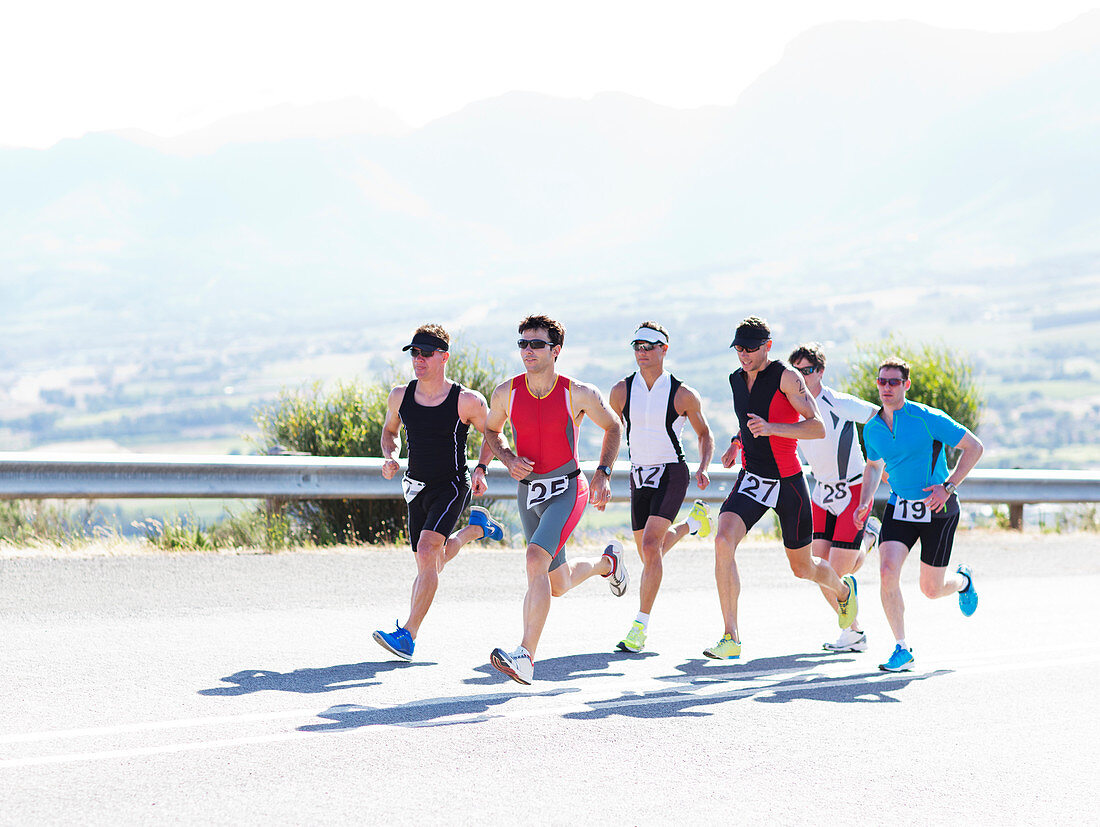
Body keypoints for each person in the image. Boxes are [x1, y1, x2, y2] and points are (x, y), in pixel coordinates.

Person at [480, 314, 627, 684]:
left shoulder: (578, 392)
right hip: (529, 491)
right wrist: (507, 458)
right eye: (522, 344)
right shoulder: (506, 392)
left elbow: (614, 426)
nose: (527, 351)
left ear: (556, 350)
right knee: (555, 582)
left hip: (566, 488)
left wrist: (602, 473)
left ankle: (525, 656)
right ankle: (607, 564)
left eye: (536, 344)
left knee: (534, 560)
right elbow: (491, 430)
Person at [706, 316, 858, 660]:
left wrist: (772, 428)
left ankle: (843, 590)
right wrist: (737, 441)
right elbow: (750, 418)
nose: (744, 355)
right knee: (722, 540)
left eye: (751, 348)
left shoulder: (788, 377)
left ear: (767, 346)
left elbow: (817, 427)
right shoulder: (735, 380)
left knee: (802, 568)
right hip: (753, 478)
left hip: (788, 482)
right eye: (739, 348)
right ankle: (731, 637)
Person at [372, 324, 504, 662]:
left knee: (429, 551)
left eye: (426, 353)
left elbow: (492, 433)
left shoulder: (467, 400)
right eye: (414, 353)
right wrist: (390, 456)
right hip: (415, 487)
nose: (418, 359)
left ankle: (407, 636)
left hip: (450, 485)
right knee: (434, 560)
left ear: (444, 357)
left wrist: (481, 468)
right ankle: (476, 529)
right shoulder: (400, 395)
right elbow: (390, 432)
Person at [854, 356, 983, 672]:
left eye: (894, 382)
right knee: (887, 571)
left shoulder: (927, 418)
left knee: (931, 589)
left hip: (938, 509)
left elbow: (975, 447)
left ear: (906, 385)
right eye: (882, 381)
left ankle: (963, 581)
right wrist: (864, 501)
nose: (887, 387)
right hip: (900, 508)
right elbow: (873, 467)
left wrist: (948, 486)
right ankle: (902, 647)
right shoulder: (872, 429)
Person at [608, 321, 715, 653]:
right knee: (647, 553)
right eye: (637, 346)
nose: (642, 352)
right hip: (638, 475)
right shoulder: (621, 391)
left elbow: (704, 434)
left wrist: (703, 466)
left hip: (672, 472)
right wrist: (604, 472)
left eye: (649, 346)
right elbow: (611, 432)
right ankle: (693, 524)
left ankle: (640, 626)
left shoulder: (683, 393)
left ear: (663, 350)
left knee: (652, 548)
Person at [789, 342, 881, 654]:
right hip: (821, 492)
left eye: (808, 370)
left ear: (821, 372)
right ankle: (854, 632)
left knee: (840, 571)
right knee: (819, 570)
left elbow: (879, 417)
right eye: (796, 371)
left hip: (852, 489)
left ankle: (869, 537)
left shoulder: (837, 402)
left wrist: (878, 459)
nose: (802, 376)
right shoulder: (792, 405)